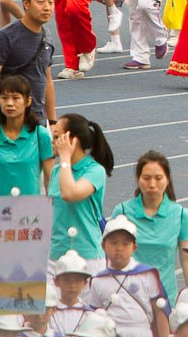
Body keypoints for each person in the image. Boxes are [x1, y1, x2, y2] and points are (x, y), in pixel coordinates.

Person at [109, 151, 188, 304]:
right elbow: (109, 256)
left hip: (164, 300)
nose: (152, 184)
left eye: (158, 178)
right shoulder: (122, 212)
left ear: (167, 179)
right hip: (127, 298)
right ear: (138, 179)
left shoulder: (181, 215)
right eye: (146, 178)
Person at [86, 215, 170, 337]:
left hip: (141, 332)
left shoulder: (147, 275)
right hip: (109, 332)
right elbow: (94, 315)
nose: (119, 248)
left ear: (134, 247)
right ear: (103, 246)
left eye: (125, 244)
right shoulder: (98, 280)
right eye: (113, 243)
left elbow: (160, 312)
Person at [50, 113, 114, 269]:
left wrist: (65, 158)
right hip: (54, 256)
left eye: (57, 137)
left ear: (73, 140)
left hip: (86, 257)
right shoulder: (56, 171)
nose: (52, 141)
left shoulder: (95, 171)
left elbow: (69, 194)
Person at [0, 0, 57, 123]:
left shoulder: (47, 36)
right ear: (26, 3)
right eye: (41, 1)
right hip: (11, 119)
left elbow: (47, 79)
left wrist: (52, 121)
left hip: (37, 119)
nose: (47, 7)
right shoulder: (5, 37)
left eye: (50, 2)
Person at [0, 74, 52, 197]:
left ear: (28, 101)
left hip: (32, 211)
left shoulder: (41, 135)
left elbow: (49, 179)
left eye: (15, 98)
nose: (9, 103)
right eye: (4, 98)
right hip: (2, 211)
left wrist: (51, 209)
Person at [50, 250, 95, 337]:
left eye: (77, 280)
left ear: (85, 283)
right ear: (56, 281)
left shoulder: (89, 315)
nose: (72, 285)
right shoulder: (48, 313)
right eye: (66, 280)